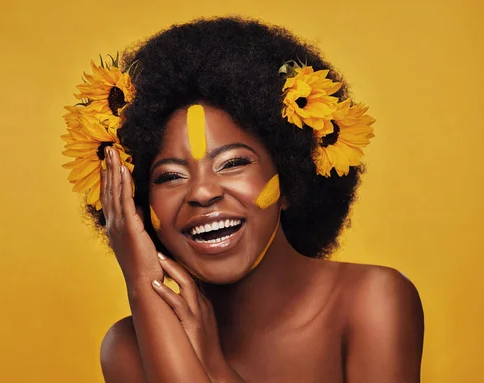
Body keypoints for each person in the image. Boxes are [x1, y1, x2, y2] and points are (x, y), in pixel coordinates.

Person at [62, 16, 424, 382]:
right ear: (135, 207)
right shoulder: (129, 346)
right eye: (170, 176)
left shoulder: (371, 302)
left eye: (232, 163)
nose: (202, 193)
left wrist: (213, 365)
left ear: (290, 179)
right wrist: (143, 286)